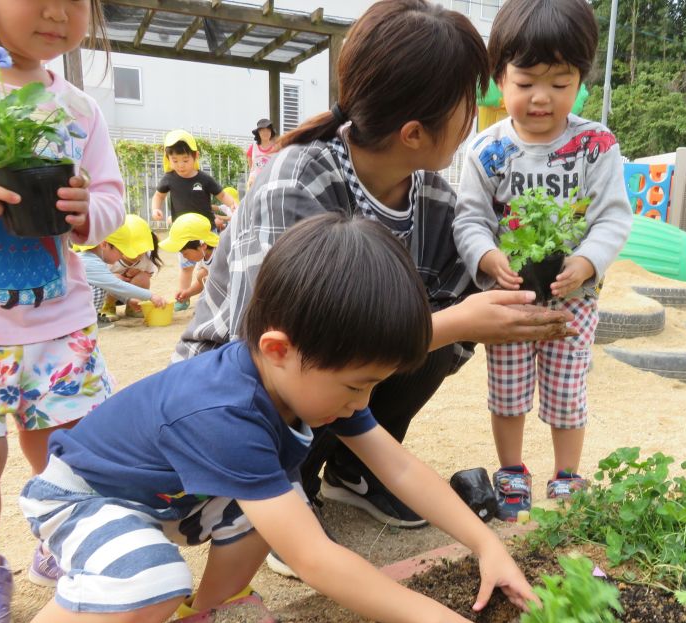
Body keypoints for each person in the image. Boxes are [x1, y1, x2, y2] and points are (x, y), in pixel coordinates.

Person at [0, 214, 535, 623]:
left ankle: (210, 617)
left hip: (170, 496)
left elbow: (400, 466)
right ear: (279, 349)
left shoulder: (314, 379)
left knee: (268, 509)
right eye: (358, 387)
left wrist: (485, 543)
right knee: (150, 586)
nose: (362, 404)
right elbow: (312, 559)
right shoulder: (227, 411)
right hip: (83, 496)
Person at [176, 0, 575, 554]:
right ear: (414, 132)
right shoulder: (298, 178)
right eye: (466, 105)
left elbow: (476, 291)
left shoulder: (431, 196)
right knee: (437, 327)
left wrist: (541, 277)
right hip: (249, 381)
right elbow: (272, 345)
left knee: (440, 332)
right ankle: (279, 488)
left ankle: (350, 470)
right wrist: (457, 322)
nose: (472, 119)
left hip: (330, 379)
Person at [0, 0, 123, 623]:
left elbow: (111, 200)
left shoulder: (78, 107)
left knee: (71, 453)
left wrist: (85, 211)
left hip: (59, 323)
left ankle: (62, 542)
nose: (58, 10)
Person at [453, 0, 632, 520]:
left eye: (560, 82)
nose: (541, 97)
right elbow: (468, 220)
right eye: (527, 80)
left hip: (571, 299)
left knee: (566, 389)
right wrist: (487, 258)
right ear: (500, 78)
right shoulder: (487, 150)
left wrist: (588, 261)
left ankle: (566, 475)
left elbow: (614, 218)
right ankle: (512, 471)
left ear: (581, 79)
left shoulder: (595, 145)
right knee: (506, 391)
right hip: (508, 298)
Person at [150, 129, 237, 309]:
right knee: (186, 266)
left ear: (195, 156)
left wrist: (233, 205)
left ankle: (216, 295)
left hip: (206, 230)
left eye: (185, 160)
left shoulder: (203, 179)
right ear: (168, 159)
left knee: (214, 264)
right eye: (175, 161)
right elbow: (158, 196)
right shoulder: (169, 179)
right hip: (182, 232)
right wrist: (155, 209)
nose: (180, 165)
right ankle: (184, 297)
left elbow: (221, 195)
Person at [74, 214, 168, 328]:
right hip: (70, 311)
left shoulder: (93, 259)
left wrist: (128, 300)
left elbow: (111, 285)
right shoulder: (90, 262)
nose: (123, 255)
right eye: (121, 251)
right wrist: (151, 296)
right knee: (98, 288)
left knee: (101, 286)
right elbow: (115, 284)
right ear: (104, 244)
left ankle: (90, 317)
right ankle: (87, 320)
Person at [160, 212, 219, 308]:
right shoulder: (202, 257)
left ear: (203, 246)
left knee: (203, 275)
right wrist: (188, 293)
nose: (185, 257)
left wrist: (212, 280)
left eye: (186, 253)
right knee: (201, 275)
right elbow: (200, 283)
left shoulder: (220, 254)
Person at [245, 118, 279, 190]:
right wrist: (253, 174)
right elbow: (250, 164)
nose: (265, 133)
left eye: (268, 130)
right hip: (254, 182)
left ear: (271, 132)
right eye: (262, 130)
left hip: (270, 182)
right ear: (258, 133)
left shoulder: (276, 148)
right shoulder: (253, 147)